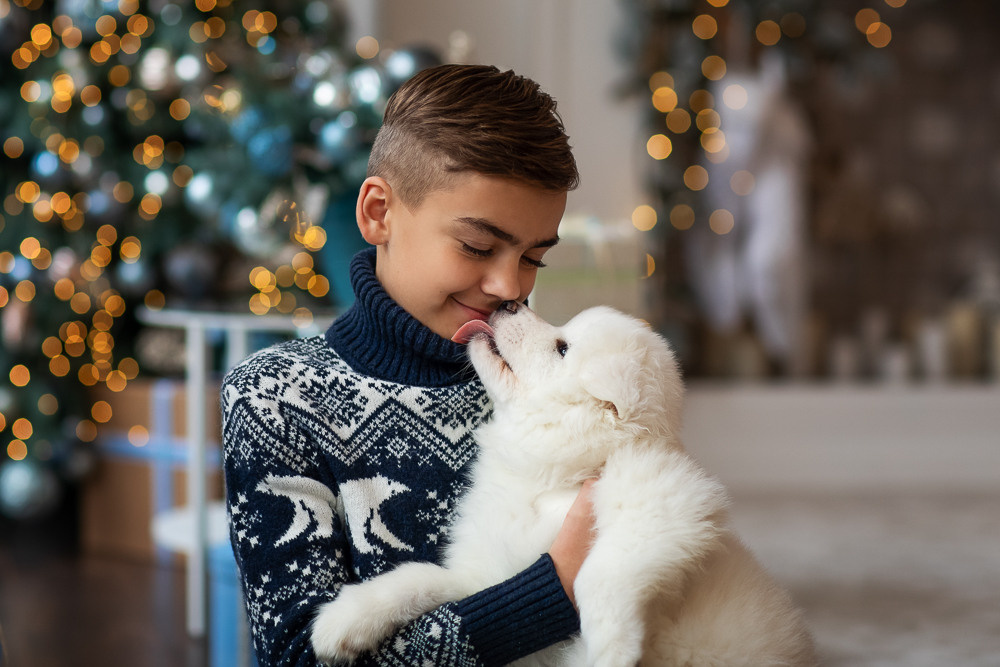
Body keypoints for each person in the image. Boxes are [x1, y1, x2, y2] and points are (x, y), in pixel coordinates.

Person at [222, 64, 596, 666]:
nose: (509, 286)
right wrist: (554, 593)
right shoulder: (274, 398)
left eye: (534, 258)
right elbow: (301, 659)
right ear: (377, 213)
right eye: (478, 247)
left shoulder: (552, 387)